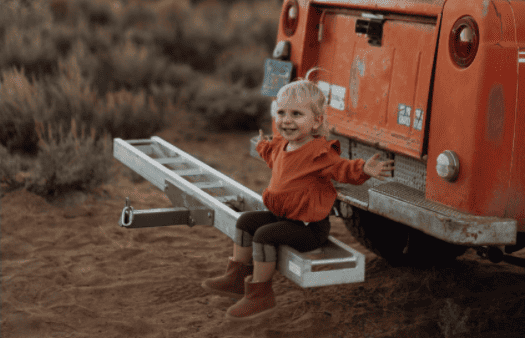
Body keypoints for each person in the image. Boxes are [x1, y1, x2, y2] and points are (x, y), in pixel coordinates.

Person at [201, 68, 395, 321]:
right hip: (284, 217)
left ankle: (260, 294)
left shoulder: (319, 152)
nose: (286, 120)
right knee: (246, 221)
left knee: (263, 235)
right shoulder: (283, 145)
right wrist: (262, 145)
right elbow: (271, 155)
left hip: (309, 228)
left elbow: (342, 169)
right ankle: (237, 277)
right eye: (281, 113)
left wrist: (364, 169)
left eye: (296, 114)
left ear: (315, 121)